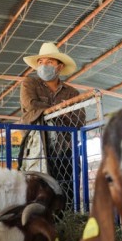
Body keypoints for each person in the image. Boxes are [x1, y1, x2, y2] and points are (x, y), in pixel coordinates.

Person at [18, 41, 85, 207]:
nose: (44, 65)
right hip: (37, 146)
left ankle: (68, 215)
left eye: (49, 62)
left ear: (59, 67)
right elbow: (30, 104)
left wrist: (47, 113)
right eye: (41, 62)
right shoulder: (29, 83)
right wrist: (61, 111)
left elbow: (78, 120)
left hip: (65, 149)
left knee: (67, 189)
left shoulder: (72, 92)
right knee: (37, 190)